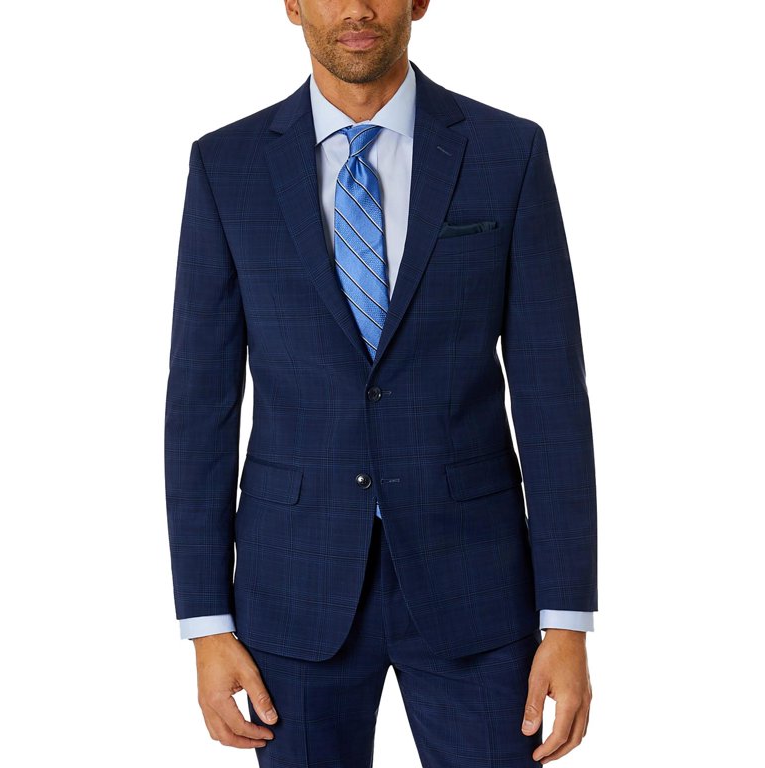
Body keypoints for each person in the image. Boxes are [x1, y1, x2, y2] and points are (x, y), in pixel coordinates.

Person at [164, 1, 597, 765]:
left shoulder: (506, 151)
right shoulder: (227, 164)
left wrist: (567, 620)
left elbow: (552, 396)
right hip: (290, 587)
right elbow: (201, 404)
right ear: (292, 4)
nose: (357, 8)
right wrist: (206, 623)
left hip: (477, 583)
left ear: (419, 1)